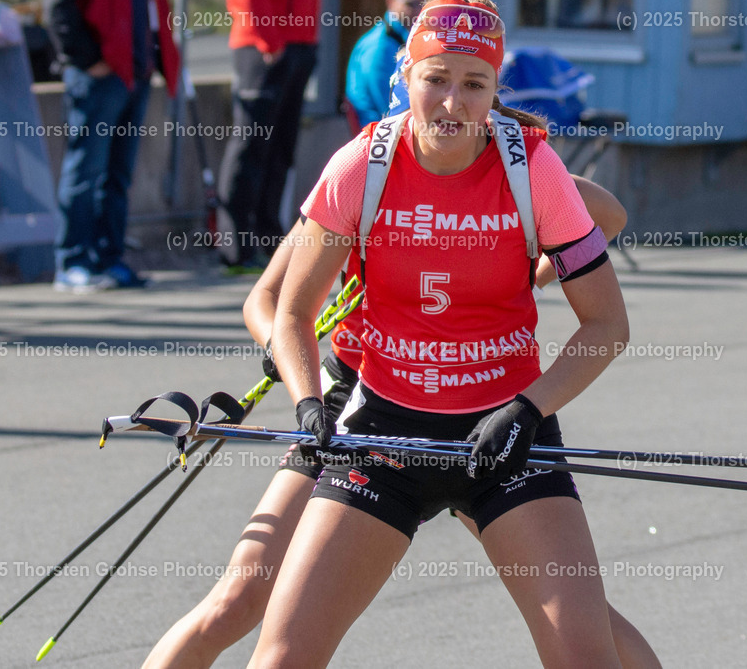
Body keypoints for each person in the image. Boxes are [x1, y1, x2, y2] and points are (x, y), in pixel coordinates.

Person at [254, 0, 656, 667]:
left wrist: (529, 410)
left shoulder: (533, 169)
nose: (452, 102)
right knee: (282, 657)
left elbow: (606, 324)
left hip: (502, 437)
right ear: (406, 75)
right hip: (383, 434)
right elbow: (289, 312)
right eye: (436, 78)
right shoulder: (361, 166)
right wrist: (306, 403)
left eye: (474, 84)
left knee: (587, 655)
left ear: (496, 90)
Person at [142, 178, 639, 667]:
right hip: (357, 409)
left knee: (585, 630)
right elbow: (266, 300)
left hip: (482, 415)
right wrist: (282, 345)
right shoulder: (364, 175)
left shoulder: (511, 168)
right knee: (238, 598)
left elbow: (608, 216)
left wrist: (524, 275)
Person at [44, 0, 178, 292]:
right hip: (98, 77)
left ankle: (109, 260)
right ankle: (73, 262)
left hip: (134, 75)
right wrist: (88, 59)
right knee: (85, 172)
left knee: (117, 176)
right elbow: (58, 9)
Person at [215, 0, 319, 274]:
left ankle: (269, 242)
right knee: (250, 146)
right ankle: (236, 249)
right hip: (264, 45)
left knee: (280, 151)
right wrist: (268, 40)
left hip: (298, 43)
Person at [345, 0, 424, 130]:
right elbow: (393, 110)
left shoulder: (397, 38)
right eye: (410, 4)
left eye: (423, 5)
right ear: (391, 1)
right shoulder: (380, 48)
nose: (419, 12)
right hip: (381, 136)